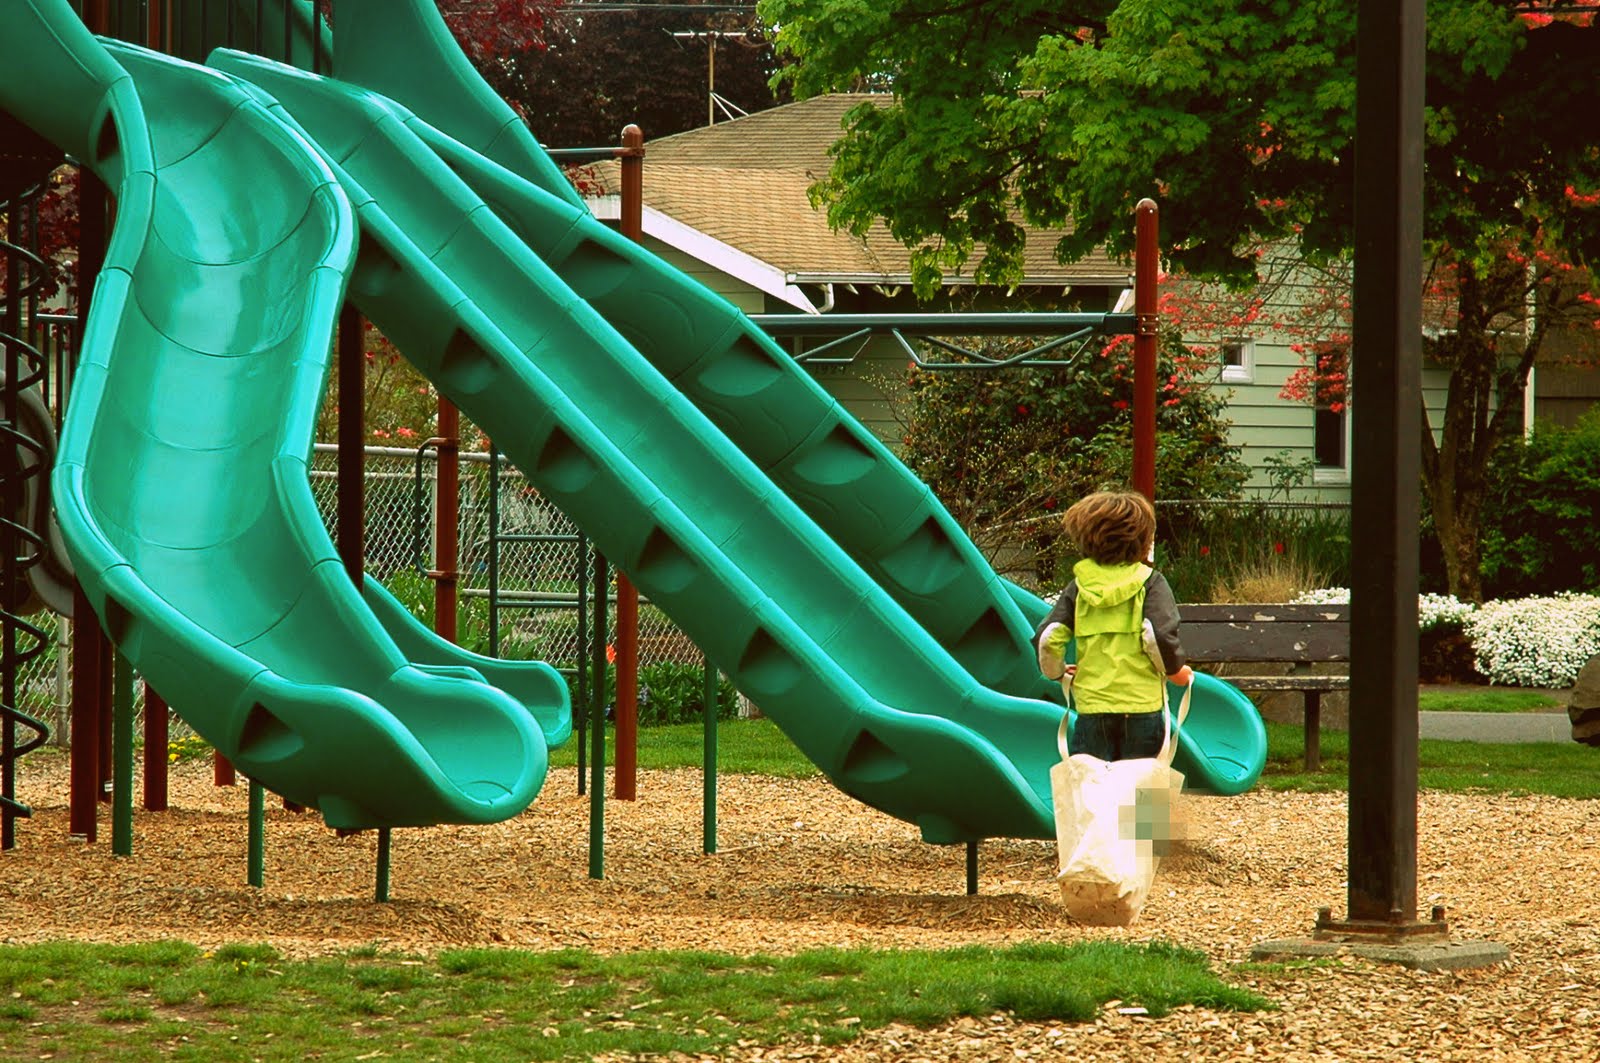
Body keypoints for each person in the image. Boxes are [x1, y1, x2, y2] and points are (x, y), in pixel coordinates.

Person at [1035, 490, 1193, 762]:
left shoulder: (1079, 587)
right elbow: (1156, 636)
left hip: (1093, 709)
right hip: (1142, 708)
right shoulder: (1150, 582)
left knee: (1093, 782)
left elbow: (1048, 638)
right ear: (1143, 541)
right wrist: (1175, 671)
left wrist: (1056, 672)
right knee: (1142, 783)